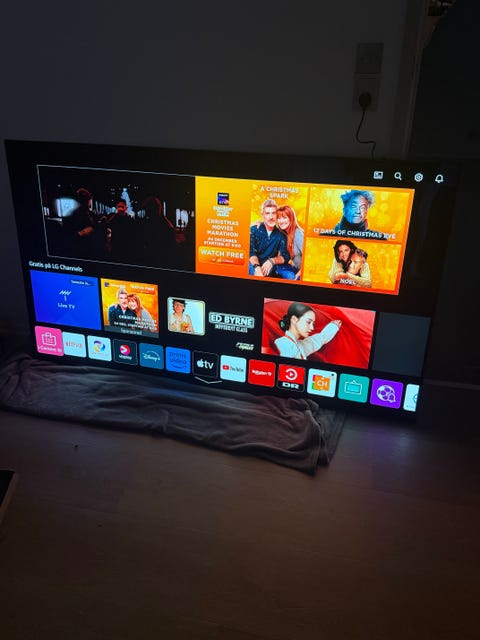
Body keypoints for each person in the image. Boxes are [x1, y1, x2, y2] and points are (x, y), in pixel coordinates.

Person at [274, 302, 342, 360]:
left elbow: (319, 339)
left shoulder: (300, 346)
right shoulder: (282, 343)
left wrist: (333, 326)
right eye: (308, 322)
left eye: (313, 323)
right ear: (294, 319)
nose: (312, 328)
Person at [249, 199, 291, 277]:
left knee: (290, 275)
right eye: (267, 213)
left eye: (273, 213)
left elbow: (285, 256)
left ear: (277, 215)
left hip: (271, 266)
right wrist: (257, 268)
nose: (271, 217)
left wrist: (272, 261)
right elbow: (250, 252)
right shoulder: (254, 230)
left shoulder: (281, 234)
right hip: (253, 264)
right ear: (263, 215)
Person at [275, 205, 304, 280]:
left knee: (289, 276)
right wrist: (259, 223)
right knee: (276, 267)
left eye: (284, 218)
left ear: (291, 218)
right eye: (279, 218)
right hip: (295, 269)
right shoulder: (286, 233)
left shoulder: (298, 234)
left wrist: (297, 275)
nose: (281, 221)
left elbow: (308, 260)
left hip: (302, 273)